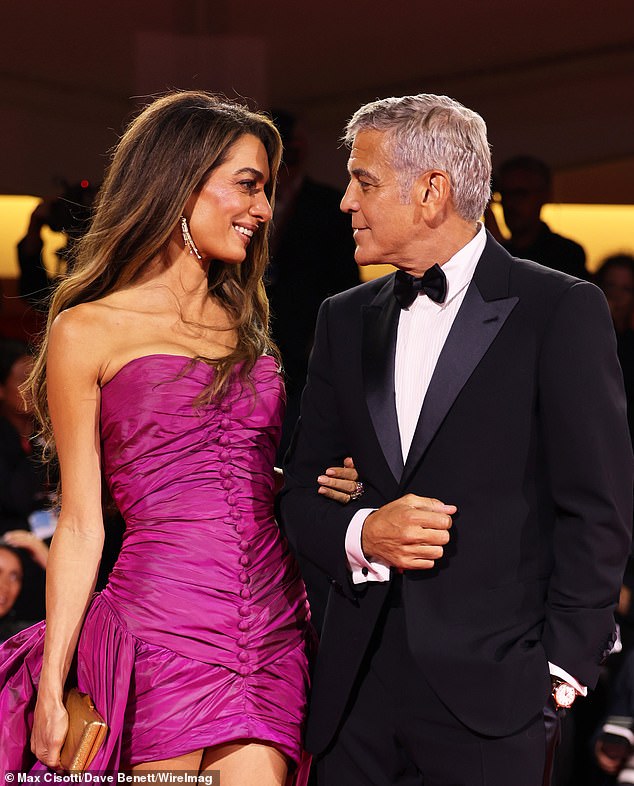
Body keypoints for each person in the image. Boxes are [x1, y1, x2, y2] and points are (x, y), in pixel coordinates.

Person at [0, 90, 352, 785]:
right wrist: (52, 687)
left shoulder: (251, 330)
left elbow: (243, 474)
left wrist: (312, 486)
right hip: (163, 627)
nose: (261, 210)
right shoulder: (87, 329)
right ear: (181, 182)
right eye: (247, 185)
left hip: (275, 622)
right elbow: (78, 523)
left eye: (267, 191)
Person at [280, 94, 633, 786]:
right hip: (355, 695)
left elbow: (599, 508)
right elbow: (299, 492)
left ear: (432, 191)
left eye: (365, 180)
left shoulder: (558, 308)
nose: (347, 201)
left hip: (498, 699)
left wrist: (560, 671)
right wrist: (362, 533)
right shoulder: (342, 319)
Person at [496, 155, 588, 279]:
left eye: (520, 194)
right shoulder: (499, 251)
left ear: (544, 195)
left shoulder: (566, 254)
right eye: (505, 194)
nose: (510, 203)